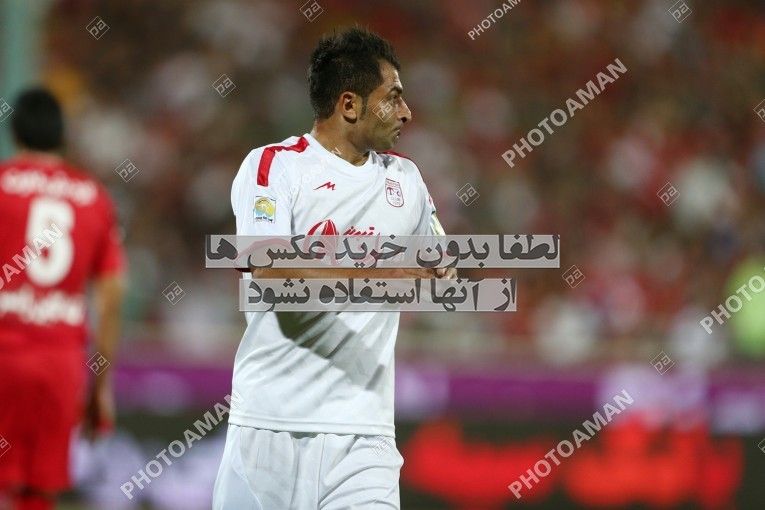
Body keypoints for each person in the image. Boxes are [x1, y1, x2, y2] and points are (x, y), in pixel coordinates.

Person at [213, 26, 455, 509]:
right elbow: (267, 270)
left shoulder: (406, 179)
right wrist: (384, 277)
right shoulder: (274, 167)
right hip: (269, 427)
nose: (407, 112)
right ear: (349, 104)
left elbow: (439, 262)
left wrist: (441, 269)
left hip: (364, 437)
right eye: (393, 97)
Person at [0, 88, 125, 510]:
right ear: (62, 135)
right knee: (38, 492)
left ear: (15, 133)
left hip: (5, 351)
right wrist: (100, 388)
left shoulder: (3, 184)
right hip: (60, 362)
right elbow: (111, 296)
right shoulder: (93, 196)